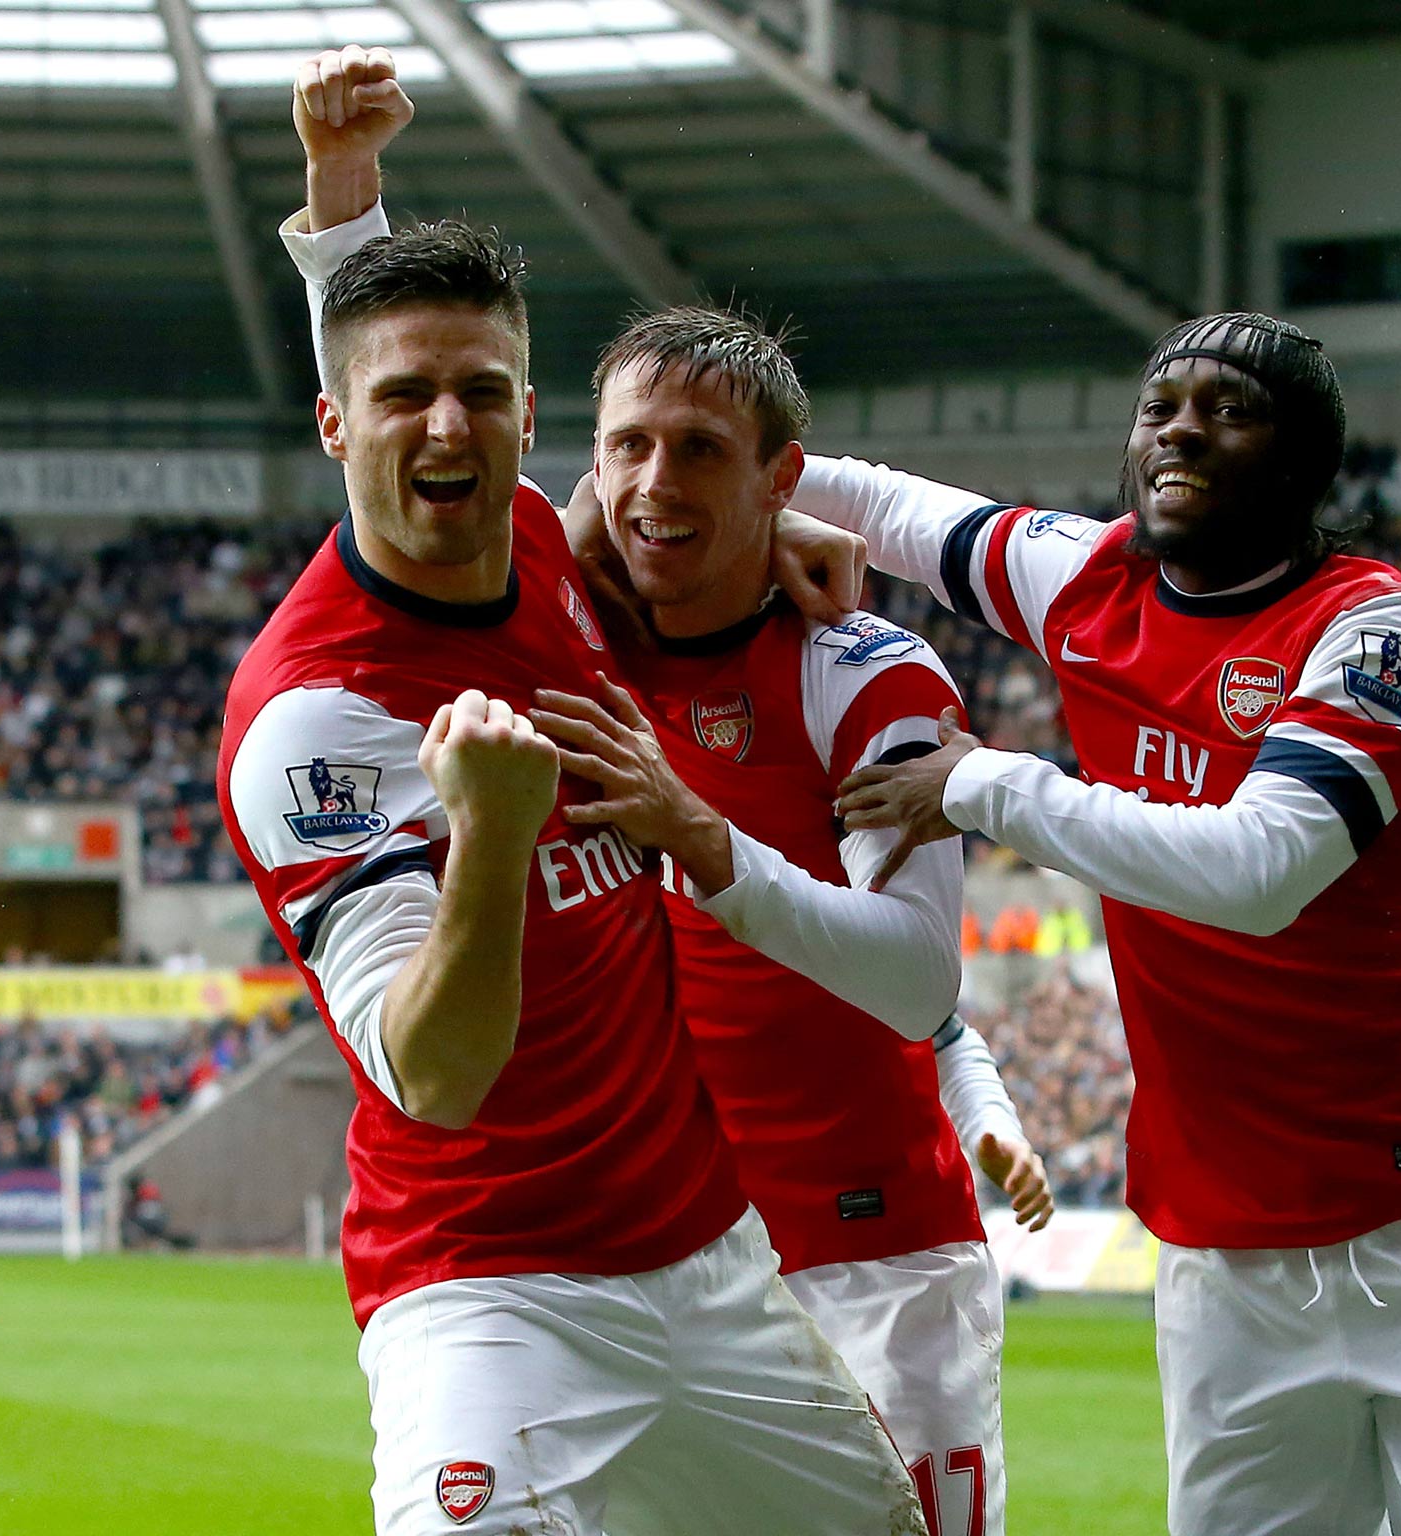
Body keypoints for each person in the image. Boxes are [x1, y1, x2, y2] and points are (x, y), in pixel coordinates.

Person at [280, 54, 1051, 1535]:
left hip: (867, 1244)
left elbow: (914, 985)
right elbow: (413, 403)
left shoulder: (860, 672)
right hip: (635, 1244)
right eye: (626, 446)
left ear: (779, 482)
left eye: (700, 454)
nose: (650, 485)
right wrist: (342, 202)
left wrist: (702, 836)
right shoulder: (554, 583)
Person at [794, 314, 1401, 1533]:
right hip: (1222, 1262)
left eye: (1226, 408)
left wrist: (981, 780)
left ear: (1300, 461)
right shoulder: (1087, 577)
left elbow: (1259, 870)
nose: (1178, 426)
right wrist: (650, 480)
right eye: (1160, 403)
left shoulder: (1378, 629)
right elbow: (875, 500)